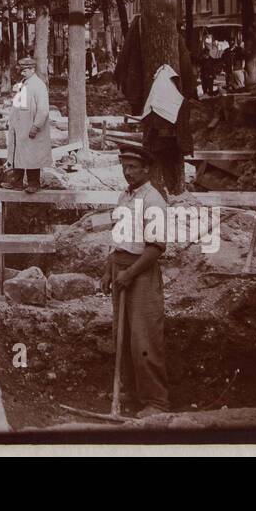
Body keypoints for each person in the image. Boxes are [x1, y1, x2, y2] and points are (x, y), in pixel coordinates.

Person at [102, 144, 169, 416]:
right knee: (123, 335)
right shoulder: (124, 197)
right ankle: (129, 392)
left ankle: (156, 401)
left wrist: (129, 274)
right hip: (121, 267)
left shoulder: (154, 200)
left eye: (133, 167)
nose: (127, 172)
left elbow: (155, 247)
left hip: (141, 272)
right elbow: (118, 239)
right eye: (124, 167)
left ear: (146, 169)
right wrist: (109, 270)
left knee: (144, 338)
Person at [6, 57, 51, 193]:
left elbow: (43, 109)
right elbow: (19, 104)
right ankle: (17, 182)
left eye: (24, 70)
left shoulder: (39, 85)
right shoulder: (24, 84)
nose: (22, 73)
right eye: (21, 70)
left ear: (32, 69)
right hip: (21, 126)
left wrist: (36, 126)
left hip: (31, 127)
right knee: (18, 154)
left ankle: (34, 183)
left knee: (32, 156)